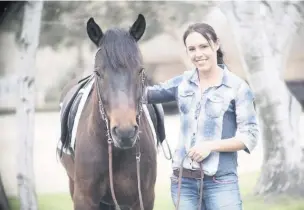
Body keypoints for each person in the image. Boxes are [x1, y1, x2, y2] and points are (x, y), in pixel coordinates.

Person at [144, 23, 260, 210]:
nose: (198, 54)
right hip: (183, 183)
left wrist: (210, 146)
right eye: (192, 49)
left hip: (221, 183)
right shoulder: (182, 83)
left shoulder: (237, 88)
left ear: (216, 44)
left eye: (203, 46)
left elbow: (250, 137)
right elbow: (144, 95)